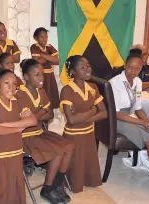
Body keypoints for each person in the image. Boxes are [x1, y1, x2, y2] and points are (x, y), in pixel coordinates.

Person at [16, 59, 74, 204]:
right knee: (57, 151)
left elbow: (51, 115)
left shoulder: (41, 92)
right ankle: (47, 188)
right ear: (26, 77)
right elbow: (30, 121)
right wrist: (42, 111)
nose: (41, 78)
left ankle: (56, 184)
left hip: (39, 132)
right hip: (24, 137)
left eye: (42, 74)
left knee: (69, 146)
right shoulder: (19, 95)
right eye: (37, 75)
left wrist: (37, 114)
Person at [0, 69, 37, 204]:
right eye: (6, 83)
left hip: (17, 151)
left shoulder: (17, 100)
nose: (11, 87)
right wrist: (19, 127)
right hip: (0, 154)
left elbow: (32, 121)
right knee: (1, 189)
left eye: (14, 84)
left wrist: (6, 124)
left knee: (15, 186)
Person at [60, 55, 108, 193]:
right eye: (82, 67)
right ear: (73, 72)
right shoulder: (67, 90)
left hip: (88, 133)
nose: (87, 69)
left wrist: (83, 117)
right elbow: (71, 120)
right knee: (74, 165)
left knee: (87, 166)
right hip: (73, 136)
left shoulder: (93, 87)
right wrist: (93, 110)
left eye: (88, 66)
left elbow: (104, 113)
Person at [109, 53, 149, 166]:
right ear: (125, 65)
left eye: (137, 69)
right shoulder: (114, 83)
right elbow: (116, 113)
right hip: (116, 119)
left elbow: (137, 108)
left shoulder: (138, 82)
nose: (133, 72)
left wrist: (148, 121)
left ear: (141, 68)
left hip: (130, 116)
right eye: (130, 67)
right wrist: (142, 122)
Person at [30, 27, 60, 109]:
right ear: (36, 38)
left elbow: (57, 60)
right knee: (42, 98)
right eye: (41, 37)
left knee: (51, 98)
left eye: (46, 36)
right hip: (40, 76)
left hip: (50, 76)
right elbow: (37, 61)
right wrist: (49, 58)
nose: (44, 39)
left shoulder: (49, 47)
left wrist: (42, 55)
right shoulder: (34, 47)